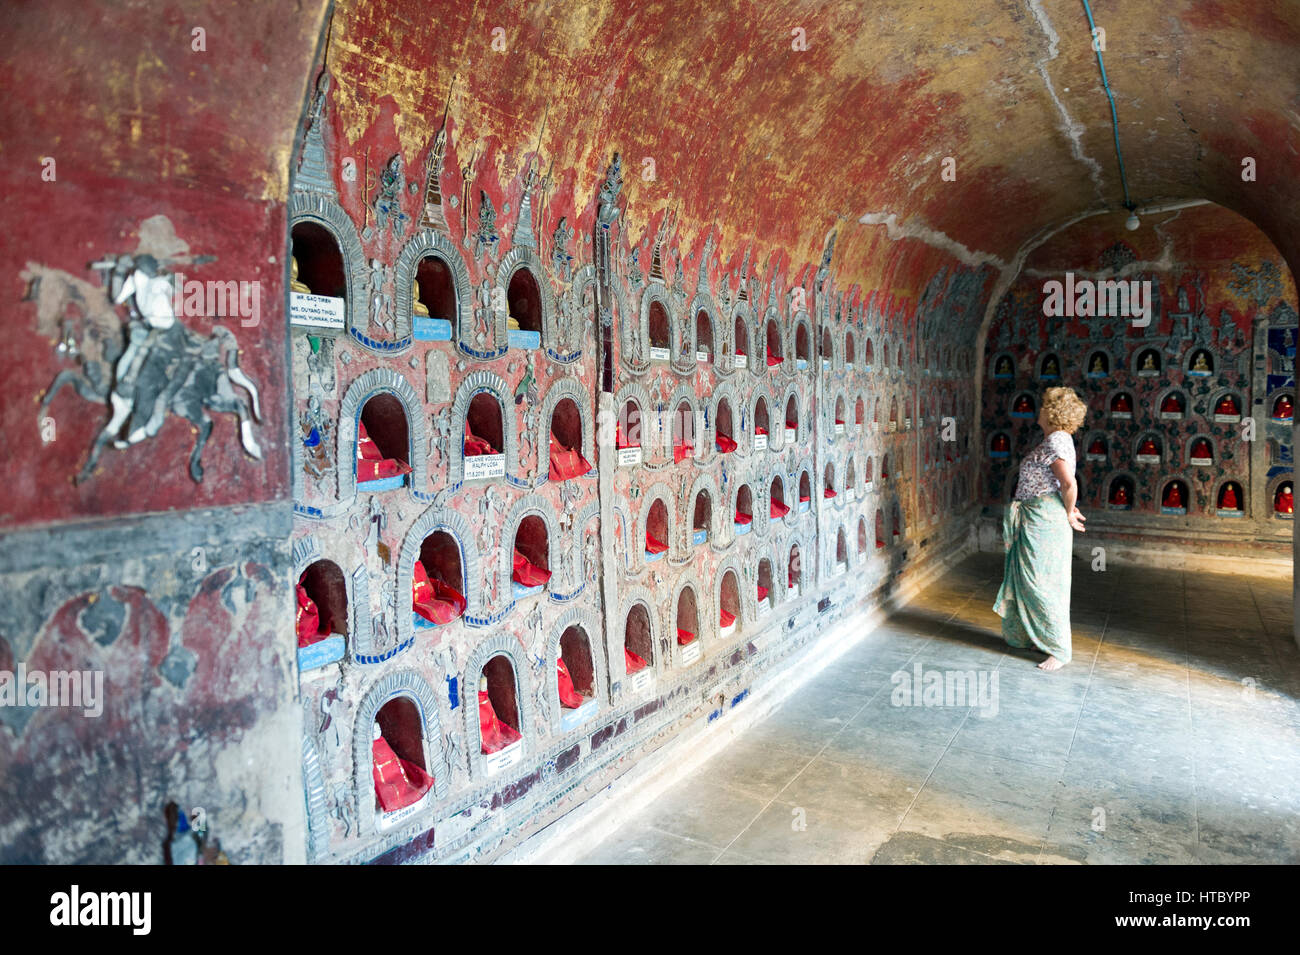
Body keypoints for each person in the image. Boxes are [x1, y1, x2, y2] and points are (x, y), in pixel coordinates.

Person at [994, 387, 1088, 671]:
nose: (1040, 409)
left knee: (1041, 583)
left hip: (1044, 520)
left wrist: (1070, 511)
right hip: (1038, 517)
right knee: (1030, 580)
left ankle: (1059, 649)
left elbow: (1069, 483)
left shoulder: (1056, 441)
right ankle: (1037, 636)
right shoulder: (1058, 439)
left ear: (1052, 412)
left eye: (1045, 405)